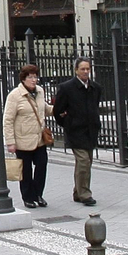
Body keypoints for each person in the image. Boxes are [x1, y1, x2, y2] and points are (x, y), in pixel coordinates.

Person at [53, 59, 102, 206]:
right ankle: (85, 193)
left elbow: (95, 106)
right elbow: (58, 110)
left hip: (91, 130)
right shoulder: (67, 88)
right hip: (75, 131)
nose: (86, 71)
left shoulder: (96, 88)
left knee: (87, 162)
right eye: (82, 69)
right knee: (83, 161)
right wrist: (67, 123)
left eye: (88, 69)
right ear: (76, 70)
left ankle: (77, 191)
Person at [3, 64, 53, 208]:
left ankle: (38, 194)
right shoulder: (15, 96)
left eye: (35, 77)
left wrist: (59, 109)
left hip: (39, 139)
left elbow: (44, 109)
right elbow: (8, 120)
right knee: (25, 170)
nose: (33, 80)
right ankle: (28, 197)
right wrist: (10, 142)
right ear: (23, 79)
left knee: (42, 165)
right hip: (23, 139)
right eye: (30, 77)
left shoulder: (40, 91)